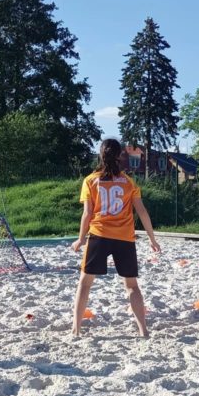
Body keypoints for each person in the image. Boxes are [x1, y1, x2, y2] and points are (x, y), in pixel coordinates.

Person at [71, 138, 161, 337]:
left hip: (99, 235)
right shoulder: (128, 182)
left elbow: (87, 213)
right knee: (131, 286)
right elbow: (142, 212)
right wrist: (152, 239)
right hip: (125, 238)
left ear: (100, 154)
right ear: (121, 155)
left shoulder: (90, 180)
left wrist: (80, 239)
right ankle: (143, 330)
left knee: (85, 283)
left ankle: (76, 329)